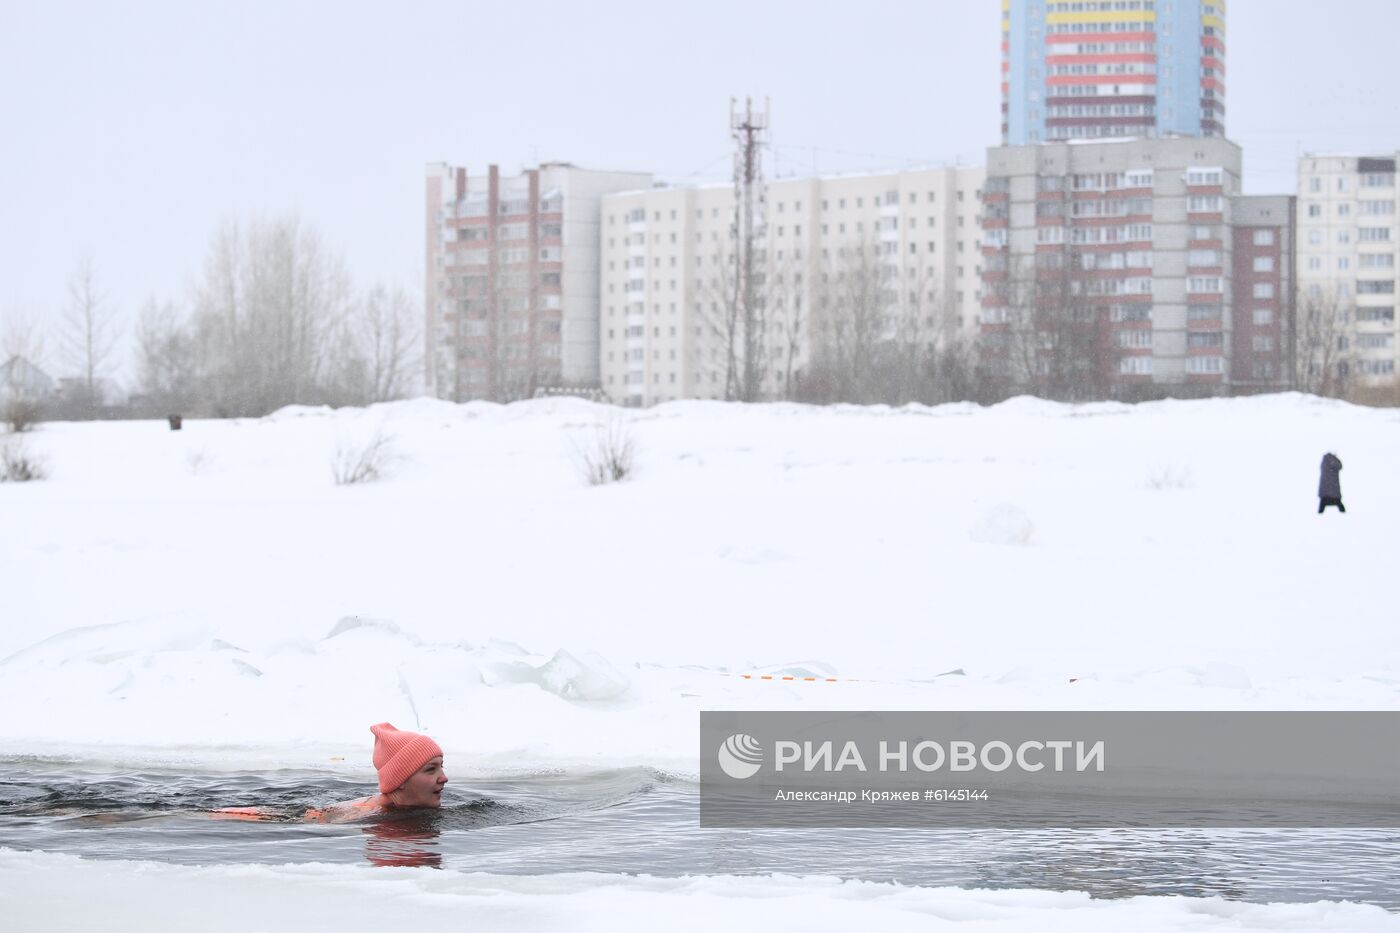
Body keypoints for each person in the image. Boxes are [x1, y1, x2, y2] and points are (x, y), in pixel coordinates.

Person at [211, 722, 448, 823]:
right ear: (401, 781)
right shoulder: (365, 815)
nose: (444, 777)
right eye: (431, 769)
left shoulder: (399, 809)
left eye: (441, 765)